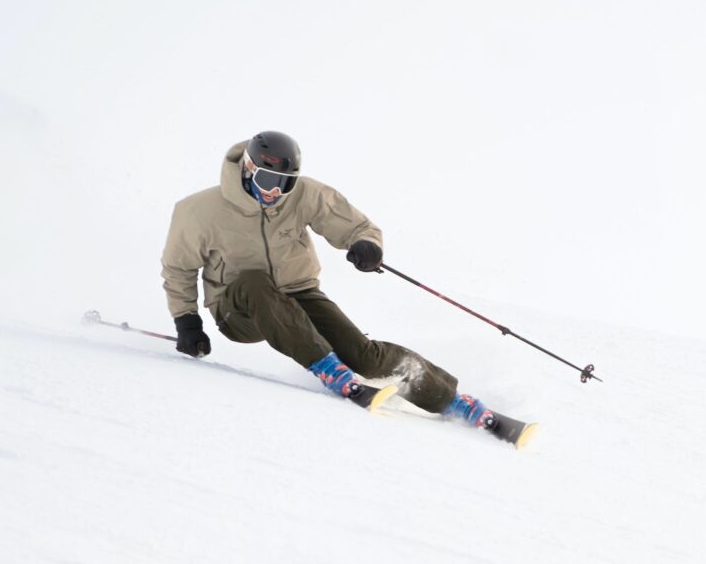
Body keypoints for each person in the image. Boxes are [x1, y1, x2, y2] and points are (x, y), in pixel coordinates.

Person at [160, 131, 494, 426]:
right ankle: (330, 369)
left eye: (285, 183)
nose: (275, 192)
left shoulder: (304, 195)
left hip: (297, 294)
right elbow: (178, 268)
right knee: (254, 282)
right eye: (267, 180)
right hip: (239, 309)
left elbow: (358, 226)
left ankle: (450, 400)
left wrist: (366, 245)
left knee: (363, 354)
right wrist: (187, 321)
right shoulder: (199, 211)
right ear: (248, 170)